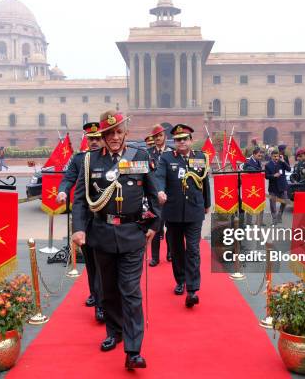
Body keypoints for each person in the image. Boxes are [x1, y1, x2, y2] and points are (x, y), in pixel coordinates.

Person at [72, 110, 160, 370]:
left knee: (130, 291)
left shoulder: (140, 156)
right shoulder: (90, 161)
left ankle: (133, 350)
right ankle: (115, 332)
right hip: (102, 234)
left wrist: (154, 224)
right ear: (102, 135)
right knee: (108, 290)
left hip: (132, 233)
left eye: (118, 132)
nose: (113, 137)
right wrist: (79, 228)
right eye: (108, 133)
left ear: (125, 134)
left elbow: (152, 193)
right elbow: (80, 199)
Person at [155, 124, 211, 308]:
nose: (181, 142)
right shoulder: (166, 157)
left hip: (194, 210)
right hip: (172, 212)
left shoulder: (201, 157)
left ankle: (193, 289)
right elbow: (159, 177)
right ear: (174, 142)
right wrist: (160, 191)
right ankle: (180, 280)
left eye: (184, 139)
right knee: (177, 249)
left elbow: (204, 182)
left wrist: (207, 203)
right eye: (178, 139)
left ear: (190, 140)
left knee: (193, 249)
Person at [57, 122, 104, 323]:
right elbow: (69, 178)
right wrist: (62, 191)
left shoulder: (109, 159)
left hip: (104, 217)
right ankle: (94, 293)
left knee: (102, 262)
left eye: (97, 138)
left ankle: (101, 304)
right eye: (90, 138)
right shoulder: (79, 159)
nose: (94, 142)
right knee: (91, 262)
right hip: (85, 218)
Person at [147, 124, 174, 266]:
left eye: (160, 136)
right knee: (156, 227)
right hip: (154, 197)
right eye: (155, 136)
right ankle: (155, 257)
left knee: (170, 227)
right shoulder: (148, 153)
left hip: (170, 196)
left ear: (165, 137)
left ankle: (170, 253)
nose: (158, 138)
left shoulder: (172, 153)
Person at [265, 150, 291, 225]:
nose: (276, 158)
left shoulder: (282, 162)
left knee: (285, 201)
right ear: (271, 156)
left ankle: (280, 214)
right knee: (272, 204)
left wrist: (283, 161)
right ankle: (274, 218)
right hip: (273, 187)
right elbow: (266, 176)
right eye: (274, 156)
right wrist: (273, 175)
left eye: (277, 156)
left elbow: (289, 169)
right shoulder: (268, 165)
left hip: (282, 186)